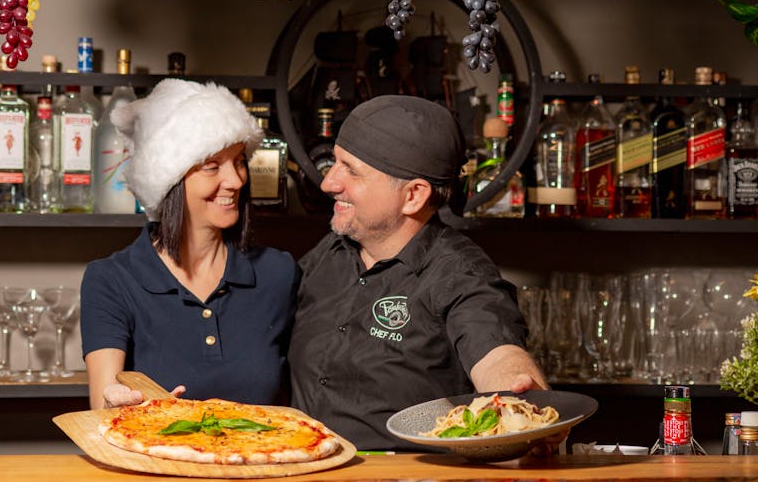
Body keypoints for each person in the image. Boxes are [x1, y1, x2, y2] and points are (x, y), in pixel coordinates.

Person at [288, 95, 548, 451]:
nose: (329, 183)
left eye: (351, 170)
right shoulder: (329, 253)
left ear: (413, 195)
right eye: (335, 163)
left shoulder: (458, 272)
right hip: (298, 467)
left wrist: (522, 395)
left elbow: (496, 350)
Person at [81, 79, 299, 410]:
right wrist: (120, 405)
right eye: (213, 166)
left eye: (239, 160)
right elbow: (103, 406)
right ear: (167, 180)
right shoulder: (110, 279)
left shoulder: (278, 273)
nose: (236, 180)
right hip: (157, 461)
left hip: (266, 460)